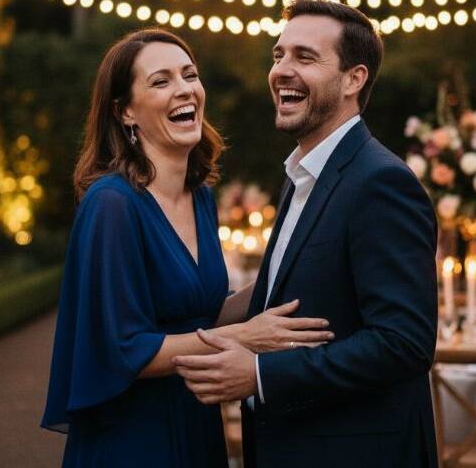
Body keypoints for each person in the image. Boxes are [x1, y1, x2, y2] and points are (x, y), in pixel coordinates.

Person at [40, 28, 334, 468]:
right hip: (134, 438)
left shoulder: (200, 198)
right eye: (161, 81)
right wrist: (243, 337)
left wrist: (292, 268)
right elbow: (123, 350)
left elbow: (202, 314)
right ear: (125, 112)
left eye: (189, 75)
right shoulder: (112, 205)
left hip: (196, 422)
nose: (184, 89)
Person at [173, 0, 439, 468]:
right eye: (278, 55)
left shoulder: (380, 182)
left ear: (354, 79)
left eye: (305, 57)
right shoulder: (303, 176)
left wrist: (260, 374)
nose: (281, 70)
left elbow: (404, 344)